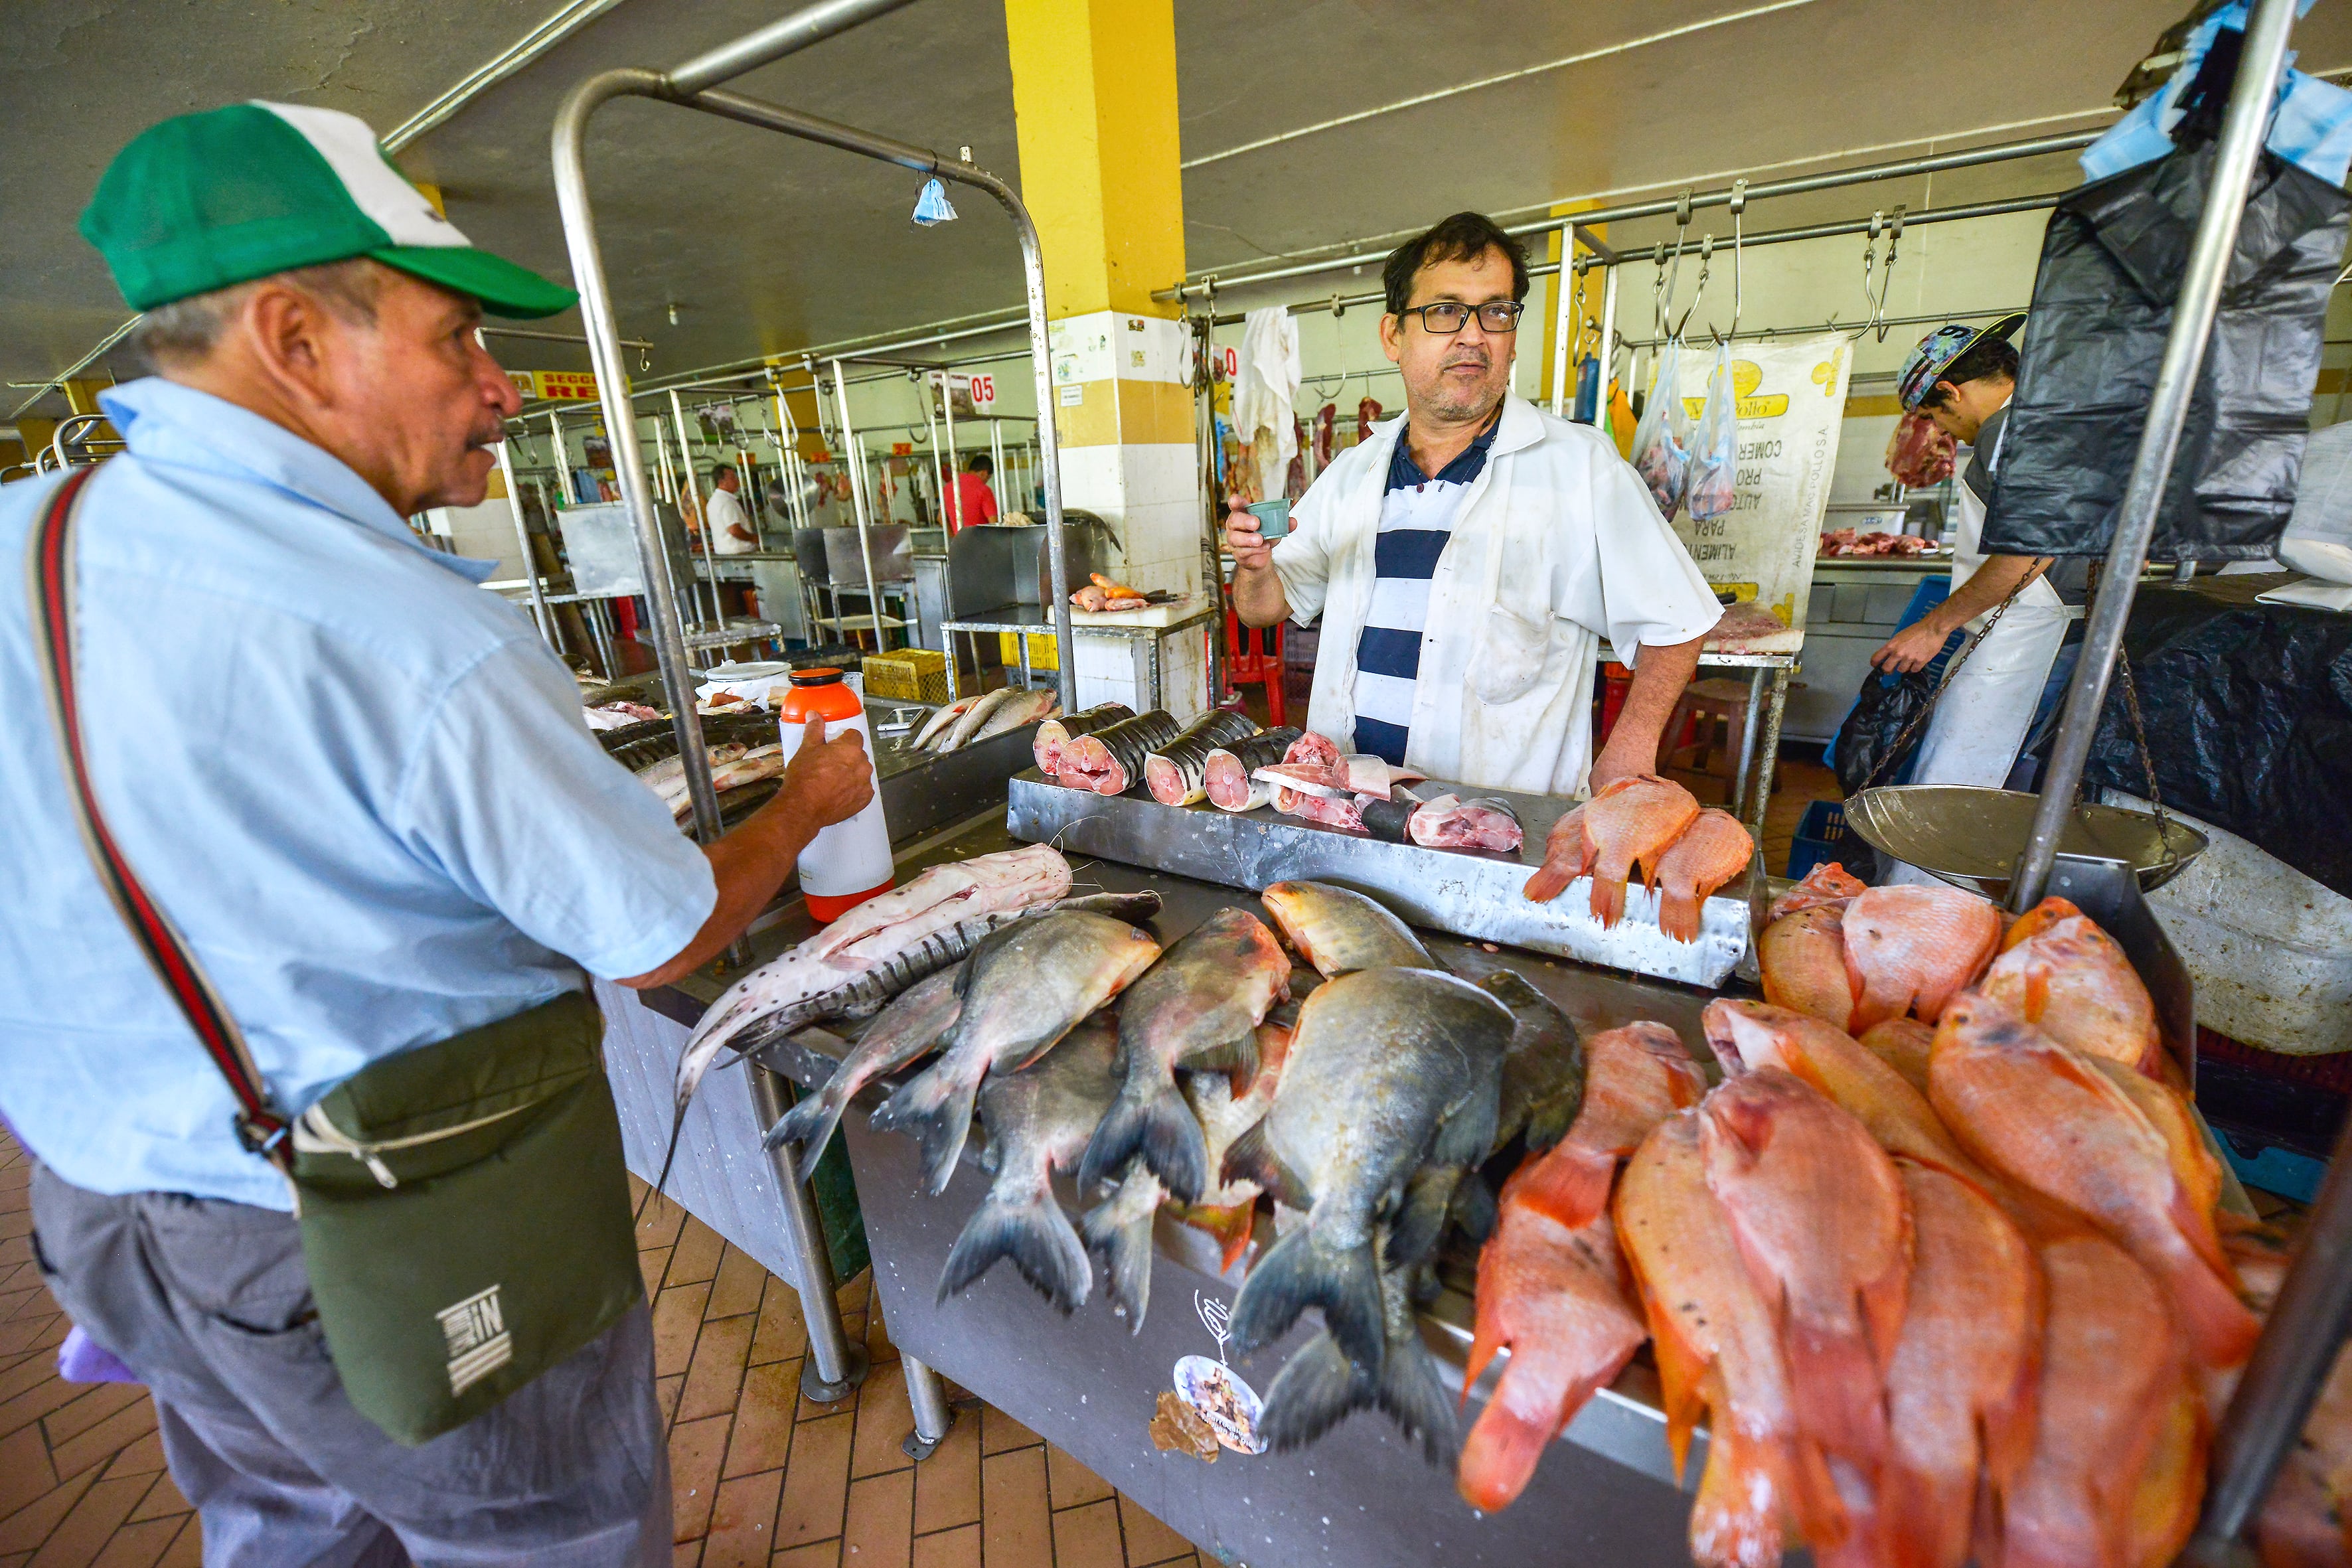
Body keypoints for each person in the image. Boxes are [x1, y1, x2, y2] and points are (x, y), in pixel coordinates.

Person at [0, 103, 875, 1564]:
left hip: (107, 1213)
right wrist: (805, 806)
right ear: (292, 336)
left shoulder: (23, 534)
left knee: (288, 1527)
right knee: (544, 1535)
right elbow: (659, 924)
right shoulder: (402, 632)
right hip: (373, 1229)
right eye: (458, 339)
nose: (500, 389)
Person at [1224, 210, 1720, 799]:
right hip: (1346, 804)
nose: (1472, 334)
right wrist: (1255, 569)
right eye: (1444, 311)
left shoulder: (1578, 468)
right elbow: (1264, 610)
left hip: (1492, 822)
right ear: (1393, 336)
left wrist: (1630, 750)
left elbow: (1678, 620)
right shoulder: (1352, 472)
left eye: (1496, 312)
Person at [1869, 315, 2083, 802]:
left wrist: (1933, 627)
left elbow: (2029, 549)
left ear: (1950, 390)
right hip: (2043, 629)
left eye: (1934, 416)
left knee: (1953, 787)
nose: (1945, 433)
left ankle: (1926, 882)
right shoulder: (2051, 419)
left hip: (2028, 634)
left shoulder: (2007, 430)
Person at [704, 461, 758, 554]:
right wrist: (753, 538)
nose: (737, 481)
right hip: (738, 553)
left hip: (725, 552)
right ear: (721, 482)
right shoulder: (726, 501)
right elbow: (734, 530)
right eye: (732, 478)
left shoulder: (714, 500)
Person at [945, 451, 998, 532]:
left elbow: (941, 518)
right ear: (984, 473)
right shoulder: (984, 489)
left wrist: (955, 537)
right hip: (981, 541)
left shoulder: (949, 487)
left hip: (959, 542)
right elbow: (994, 524)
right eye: (988, 478)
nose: (986, 482)